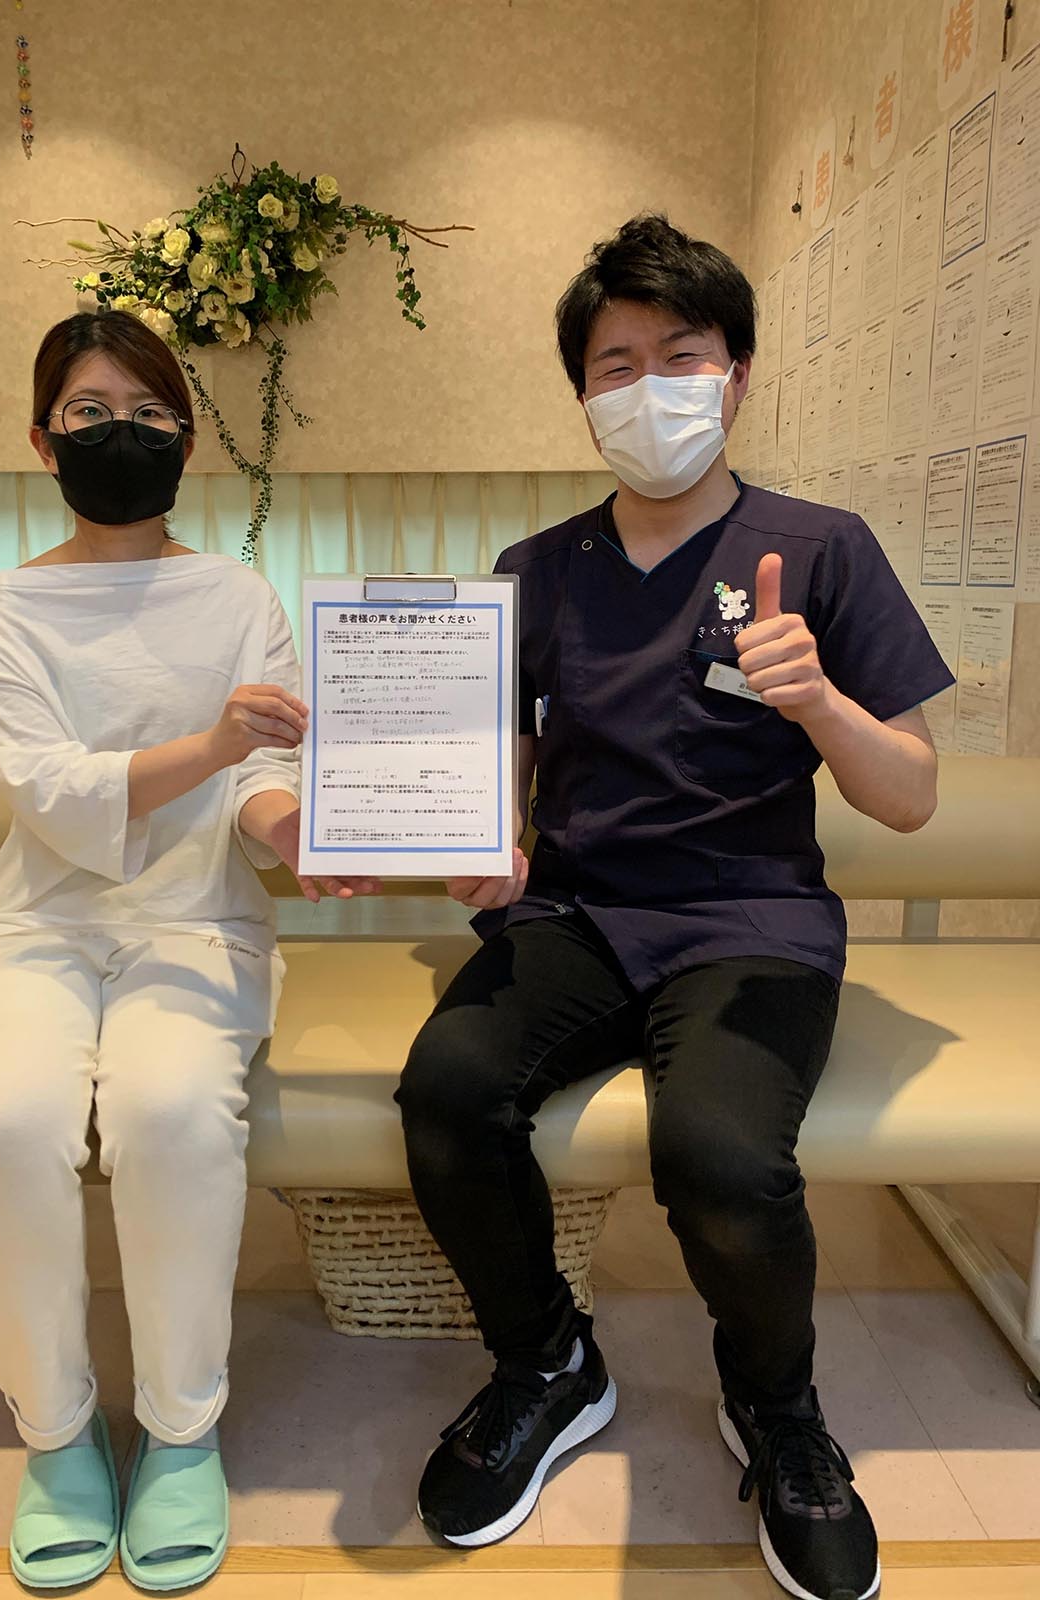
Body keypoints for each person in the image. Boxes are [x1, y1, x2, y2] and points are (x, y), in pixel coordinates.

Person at [396, 215, 953, 1600]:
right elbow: (506, 771)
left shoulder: (822, 550)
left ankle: (777, 1407)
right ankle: (547, 1362)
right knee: (448, 1089)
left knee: (720, 1157)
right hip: (579, 916)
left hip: (751, 923)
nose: (650, 387)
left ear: (738, 375)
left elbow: (911, 797)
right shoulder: (536, 570)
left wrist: (819, 701)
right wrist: (483, 846)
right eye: (616, 364)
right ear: (584, 397)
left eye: (681, 355)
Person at [0, 310, 373, 1592]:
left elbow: (264, 779)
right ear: (41, 440)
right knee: (2, 1122)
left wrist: (297, 834)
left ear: (185, 438)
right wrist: (221, 746)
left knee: (171, 1110)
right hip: (38, 924)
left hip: (195, 917)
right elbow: (55, 793)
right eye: (90, 412)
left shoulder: (237, 598)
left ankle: (181, 1429)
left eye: (150, 412)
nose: (121, 432)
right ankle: (58, 1431)